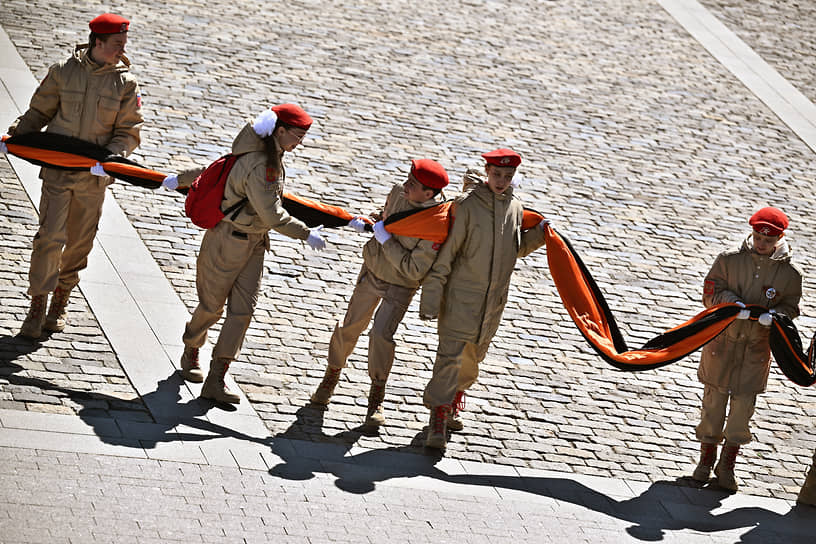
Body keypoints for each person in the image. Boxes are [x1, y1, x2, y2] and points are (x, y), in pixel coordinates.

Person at [3, 13, 143, 339]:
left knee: (79, 245)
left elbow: (129, 131)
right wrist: (15, 138)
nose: (123, 49)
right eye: (117, 43)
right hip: (57, 174)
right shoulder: (63, 72)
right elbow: (39, 112)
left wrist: (111, 159)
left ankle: (60, 300)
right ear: (98, 42)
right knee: (48, 239)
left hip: (92, 179)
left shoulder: (125, 84)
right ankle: (38, 304)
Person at [177, 103, 326, 404]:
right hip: (228, 241)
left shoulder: (270, 153)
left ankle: (217, 377)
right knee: (212, 306)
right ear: (279, 131)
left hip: (254, 243)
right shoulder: (262, 164)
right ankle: (192, 345)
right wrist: (306, 233)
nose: (300, 143)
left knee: (243, 312)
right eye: (296, 136)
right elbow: (272, 214)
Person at [419, 148, 548, 449]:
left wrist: (540, 235)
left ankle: (453, 398)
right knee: (449, 357)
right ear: (487, 172)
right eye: (497, 174)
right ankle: (437, 418)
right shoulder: (466, 206)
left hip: (492, 304)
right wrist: (431, 296)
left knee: (472, 359)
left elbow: (513, 250)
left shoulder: (514, 206)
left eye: (508, 176)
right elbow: (447, 254)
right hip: (461, 298)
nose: (502, 180)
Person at [310, 159, 449, 426]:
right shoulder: (399, 191)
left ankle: (377, 396)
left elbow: (413, 269)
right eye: (408, 179)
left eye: (413, 184)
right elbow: (387, 212)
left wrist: (386, 240)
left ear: (429, 194)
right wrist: (373, 219)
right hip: (372, 271)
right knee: (350, 326)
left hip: (400, 284)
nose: (405, 185)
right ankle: (331, 375)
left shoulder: (435, 223)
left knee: (381, 335)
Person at [691, 207, 802, 491]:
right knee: (712, 407)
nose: (761, 244)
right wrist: (730, 303)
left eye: (768, 240)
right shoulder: (729, 260)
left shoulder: (789, 274)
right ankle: (705, 461)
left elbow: (791, 306)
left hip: (755, 349)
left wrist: (775, 315)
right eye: (757, 238)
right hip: (723, 345)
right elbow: (710, 291)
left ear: (779, 238)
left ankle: (727, 465)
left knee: (742, 412)